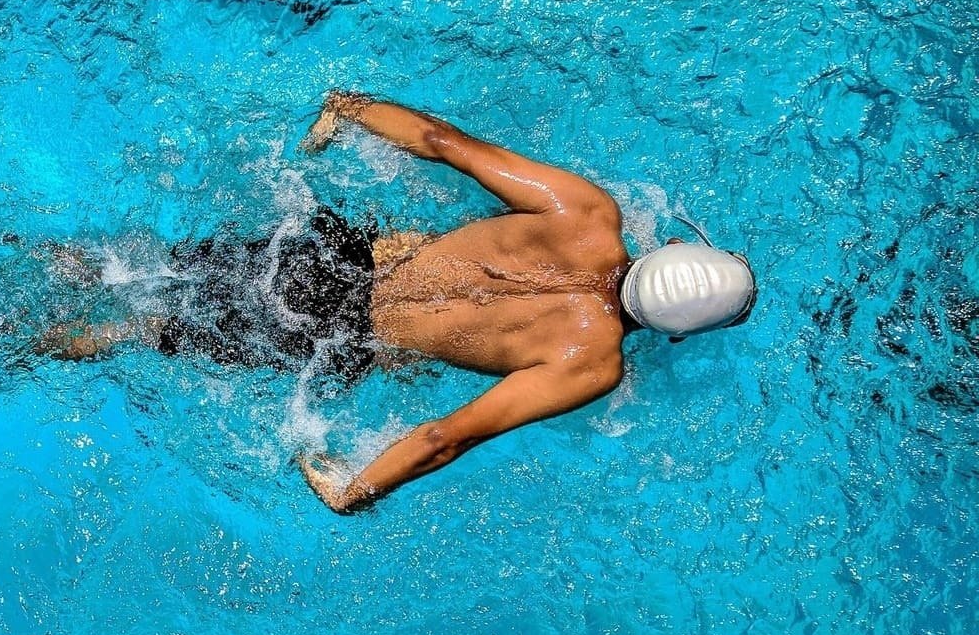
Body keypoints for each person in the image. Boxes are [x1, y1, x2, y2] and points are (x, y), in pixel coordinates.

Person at [37, 93, 756, 512]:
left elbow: (444, 142)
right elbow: (448, 436)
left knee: (143, 267)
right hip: (338, 337)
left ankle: (44, 255)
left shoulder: (586, 212)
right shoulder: (591, 363)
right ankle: (21, 342)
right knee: (144, 330)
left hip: (332, 254)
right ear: (677, 334)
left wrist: (349, 109)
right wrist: (355, 490)